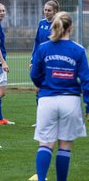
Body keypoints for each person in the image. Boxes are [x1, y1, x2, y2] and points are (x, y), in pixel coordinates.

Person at [30, 11, 89, 181]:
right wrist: (88, 105)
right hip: (70, 101)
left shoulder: (43, 48)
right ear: (70, 27)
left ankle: (41, 179)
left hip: (47, 100)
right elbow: (86, 80)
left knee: (46, 143)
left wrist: (43, 84)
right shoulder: (78, 50)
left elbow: (34, 74)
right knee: (64, 146)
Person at [29, 0, 60, 127]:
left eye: (49, 10)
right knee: (38, 90)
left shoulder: (58, 25)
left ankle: (55, 119)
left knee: (52, 91)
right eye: (45, 9)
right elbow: (36, 43)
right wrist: (33, 60)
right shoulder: (41, 23)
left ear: (55, 11)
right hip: (39, 62)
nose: (46, 12)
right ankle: (41, 120)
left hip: (52, 63)